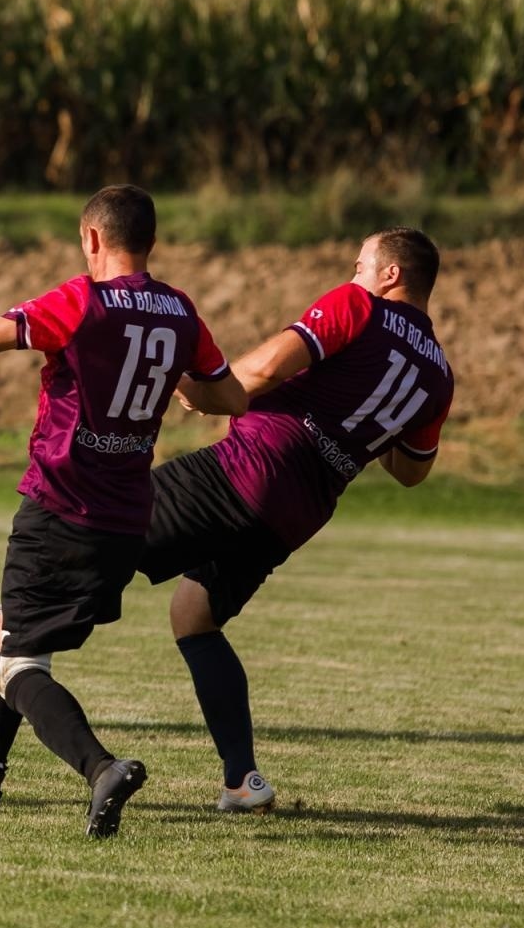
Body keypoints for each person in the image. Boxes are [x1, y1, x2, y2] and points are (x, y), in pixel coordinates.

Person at [0, 185, 248, 838]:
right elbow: (229, 394)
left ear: (92, 238)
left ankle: (101, 768)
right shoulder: (180, 312)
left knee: (16, 668)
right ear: (149, 241)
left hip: (60, 508)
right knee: (20, 641)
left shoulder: (80, 299)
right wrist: (184, 386)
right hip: (126, 521)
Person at [138, 227, 454, 813]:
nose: (353, 271)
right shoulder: (438, 376)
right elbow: (411, 473)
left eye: (360, 263)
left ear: (390, 275)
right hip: (296, 514)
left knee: (90, 529)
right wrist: (366, 425)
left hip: (250, 468)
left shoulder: (358, 304)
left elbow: (262, 371)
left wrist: (201, 389)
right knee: (194, 616)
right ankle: (242, 780)